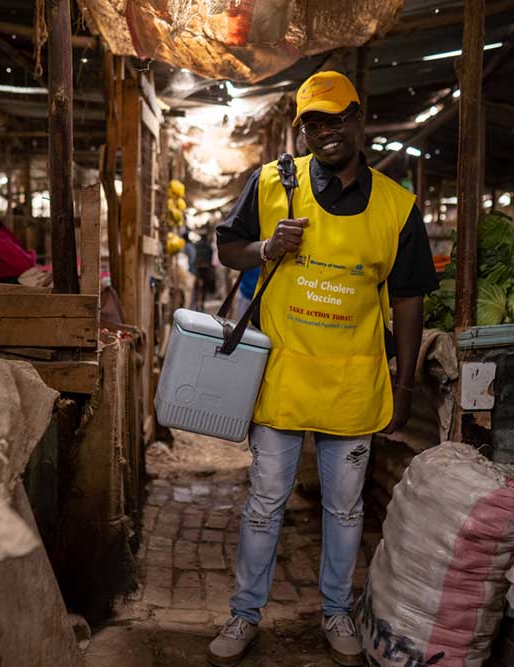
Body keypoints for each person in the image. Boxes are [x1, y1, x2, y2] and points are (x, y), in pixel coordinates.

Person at [207, 71, 438, 666]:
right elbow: (226, 246)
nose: (326, 132)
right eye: (314, 122)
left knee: (345, 508)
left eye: (337, 119)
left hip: (353, 382)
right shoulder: (269, 185)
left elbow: (409, 298)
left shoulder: (397, 206)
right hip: (282, 377)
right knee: (264, 503)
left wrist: (405, 381)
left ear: (360, 120)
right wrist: (265, 248)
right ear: (301, 129)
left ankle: (336, 609)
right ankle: (244, 612)